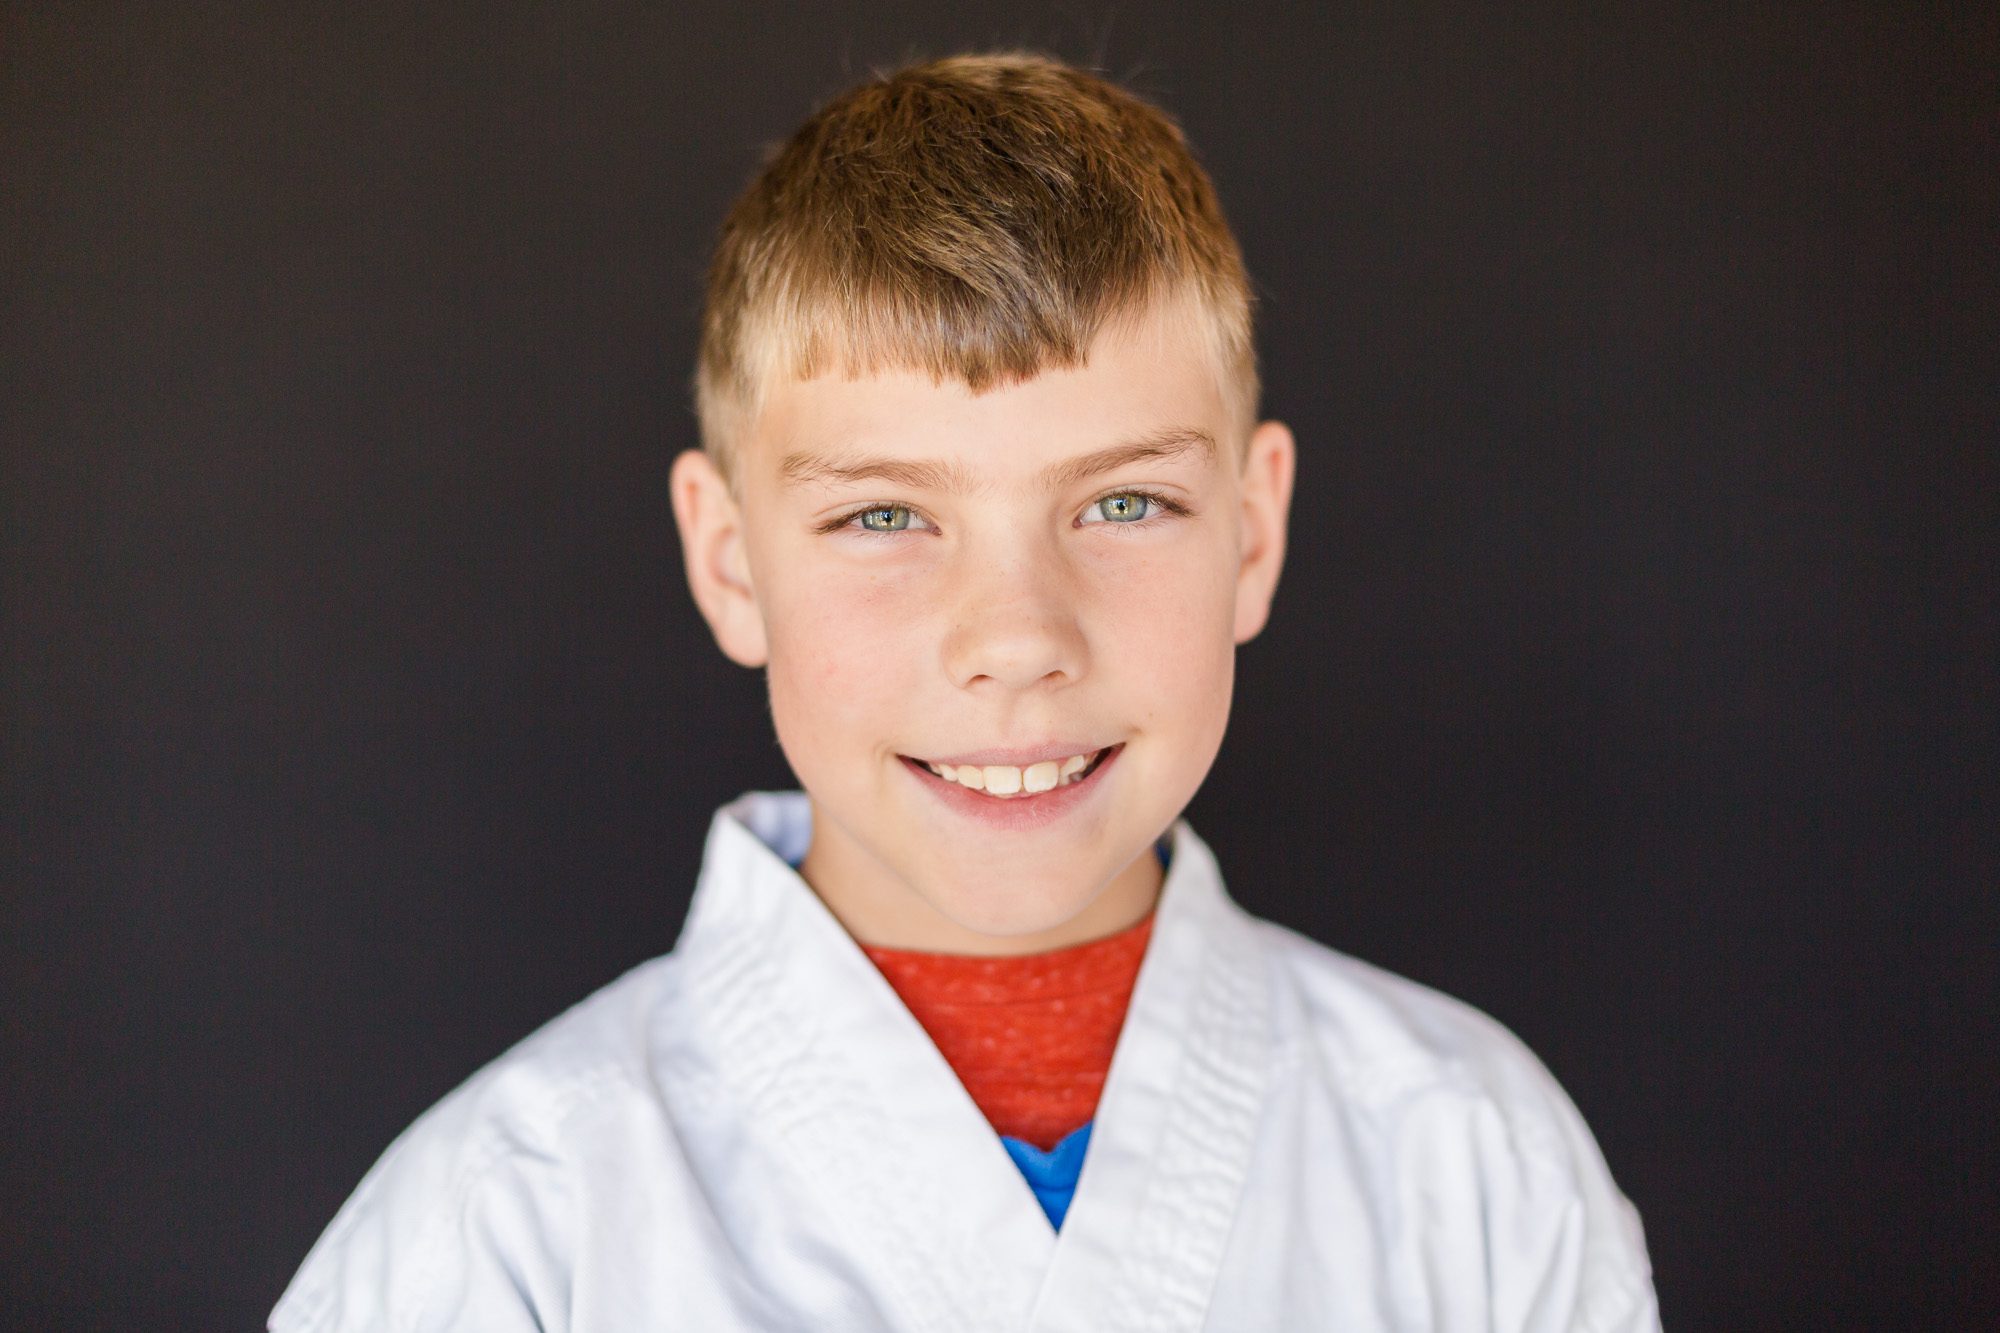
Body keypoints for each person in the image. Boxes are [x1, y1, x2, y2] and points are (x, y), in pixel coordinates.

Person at [271, 52, 1661, 1332]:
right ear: (730, 562)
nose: (1014, 637)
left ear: (1252, 529)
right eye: (885, 517)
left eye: (1123, 500)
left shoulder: (1471, 1165)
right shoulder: (506, 1227)